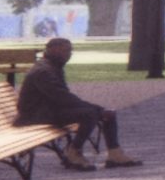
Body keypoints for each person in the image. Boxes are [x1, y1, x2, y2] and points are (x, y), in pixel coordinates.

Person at [17, 39, 140, 170]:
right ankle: (74, 153)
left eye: (70, 51)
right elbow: (62, 98)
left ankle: (115, 154)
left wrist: (97, 109)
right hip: (35, 115)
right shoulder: (43, 71)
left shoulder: (52, 66)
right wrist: (93, 108)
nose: (69, 54)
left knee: (107, 113)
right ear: (51, 50)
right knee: (90, 114)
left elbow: (63, 98)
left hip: (49, 110)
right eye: (65, 50)